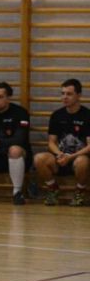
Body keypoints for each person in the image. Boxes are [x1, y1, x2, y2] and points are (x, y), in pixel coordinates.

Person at [33, 79, 89, 207]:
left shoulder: (87, 115)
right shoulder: (57, 115)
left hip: (78, 158)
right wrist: (59, 154)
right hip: (61, 158)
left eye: (69, 94)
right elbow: (51, 142)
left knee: (82, 161)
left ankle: (80, 191)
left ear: (79, 95)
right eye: (62, 93)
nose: (65, 97)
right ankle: (53, 188)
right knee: (39, 158)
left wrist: (71, 157)